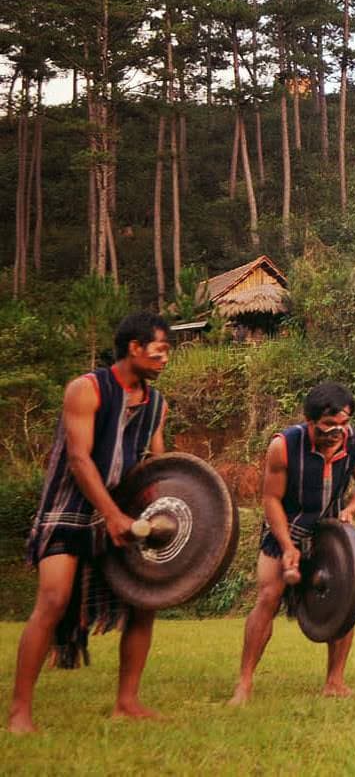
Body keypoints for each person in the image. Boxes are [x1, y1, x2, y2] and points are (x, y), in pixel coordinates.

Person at [10, 313, 170, 733]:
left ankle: (127, 702)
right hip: (69, 506)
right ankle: (19, 713)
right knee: (53, 600)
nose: (165, 358)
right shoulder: (86, 389)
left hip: (122, 508)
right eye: (159, 350)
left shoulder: (156, 404)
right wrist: (112, 516)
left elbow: (156, 464)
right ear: (134, 347)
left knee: (145, 603)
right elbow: (79, 460)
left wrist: (161, 513)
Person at [228, 382, 355, 704]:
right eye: (328, 425)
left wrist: (351, 510)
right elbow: (271, 499)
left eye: (343, 424)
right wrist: (287, 547)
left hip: (330, 534)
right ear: (309, 421)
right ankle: (244, 683)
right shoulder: (283, 446)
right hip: (287, 527)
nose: (336, 432)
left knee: (346, 601)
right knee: (268, 596)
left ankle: (335, 682)